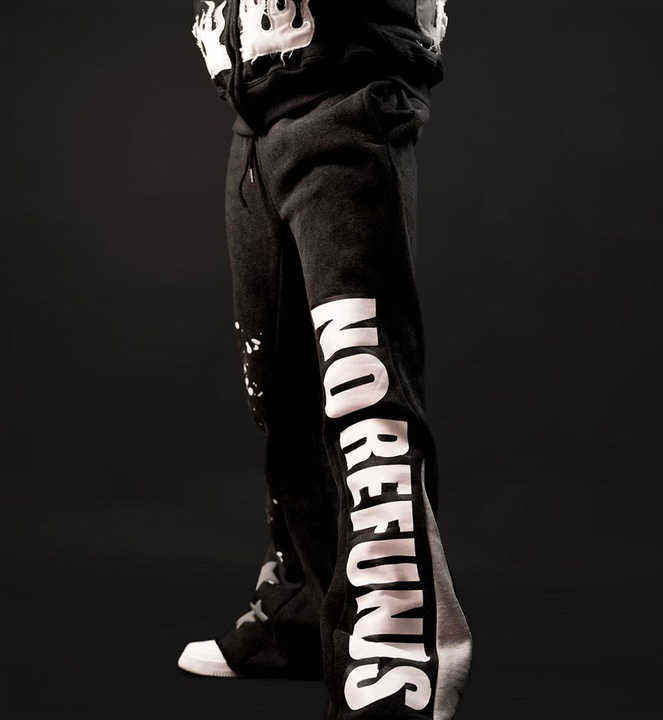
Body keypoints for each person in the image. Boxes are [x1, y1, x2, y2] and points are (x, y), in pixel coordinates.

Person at [178, 2, 472, 717]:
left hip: (347, 91)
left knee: (361, 386)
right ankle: (306, 607)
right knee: (281, 391)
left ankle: (398, 657)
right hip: (254, 106)